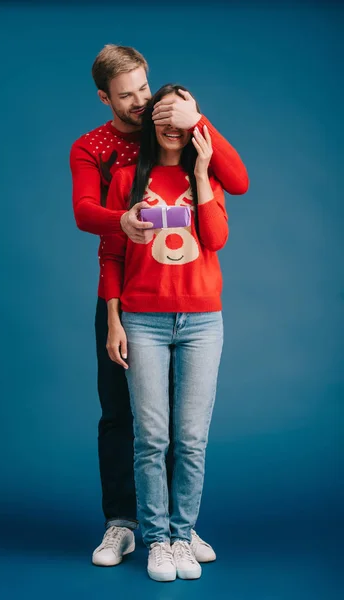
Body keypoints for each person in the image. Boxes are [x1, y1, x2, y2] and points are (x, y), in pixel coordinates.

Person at [69, 44, 248, 567]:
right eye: (128, 95)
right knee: (124, 415)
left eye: (145, 88)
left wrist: (198, 120)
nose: (143, 102)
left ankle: (175, 527)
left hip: (189, 303)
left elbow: (233, 185)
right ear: (106, 98)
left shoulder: (177, 128)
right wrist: (113, 312)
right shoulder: (94, 149)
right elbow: (90, 219)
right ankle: (124, 523)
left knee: (182, 425)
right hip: (126, 294)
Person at [103, 83, 228, 582]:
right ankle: (156, 539)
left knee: (192, 438)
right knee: (151, 437)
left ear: (192, 122)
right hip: (143, 320)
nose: (172, 126)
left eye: (181, 117)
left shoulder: (209, 176)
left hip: (202, 320)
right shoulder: (128, 179)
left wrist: (200, 174)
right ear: (152, 124)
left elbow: (215, 238)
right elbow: (111, 255)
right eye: (163, 116)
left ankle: (182, 536)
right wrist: (114, 319)